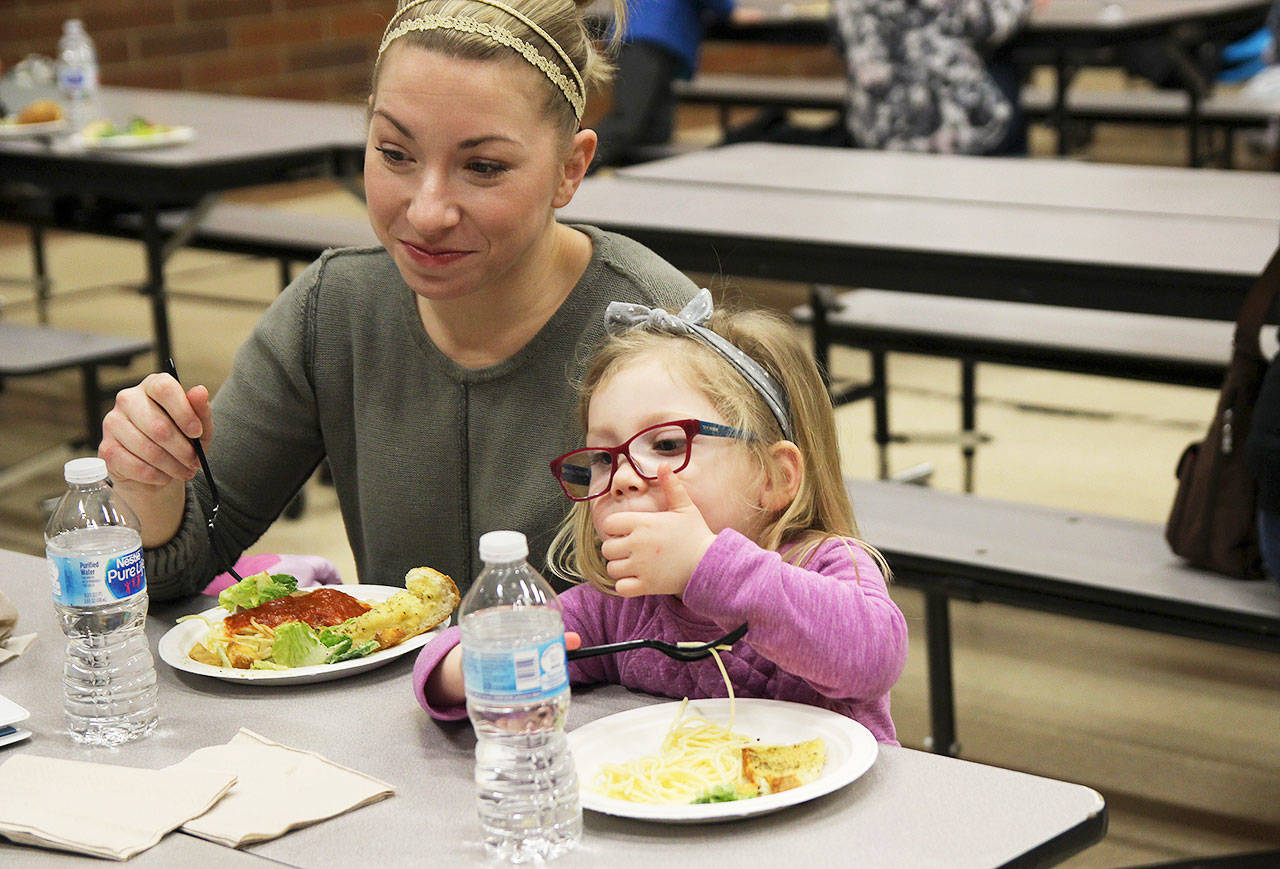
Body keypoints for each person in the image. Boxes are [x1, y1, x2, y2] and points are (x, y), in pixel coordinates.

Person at [97, 0, 699, 602]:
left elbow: (740, 605)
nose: (427, 212)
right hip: (399, 699)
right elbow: (184, 557)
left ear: (571, 169)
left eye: (483, 167)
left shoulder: (662, 333)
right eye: (395, 154)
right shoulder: (334, 313)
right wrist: (150, 482)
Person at [415, 292, 909, 743]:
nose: (625, 476)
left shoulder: (825, 563)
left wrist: (706, 564)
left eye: (668, 444)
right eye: (604, 458)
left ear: (774, 478)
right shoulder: (620, 607)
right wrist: (466, 669)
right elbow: (465, 653)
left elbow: (873, 656)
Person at [830, 0, 1034, 155]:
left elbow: (839, 40)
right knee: (1004, 75)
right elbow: (988, 23)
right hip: (955, 127)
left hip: (872, 127)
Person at [589, 0, 734, 171]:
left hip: (649, 35)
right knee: (627, 124)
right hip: (651, 35)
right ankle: (572, 170)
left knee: (656, 131)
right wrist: (731, 10)